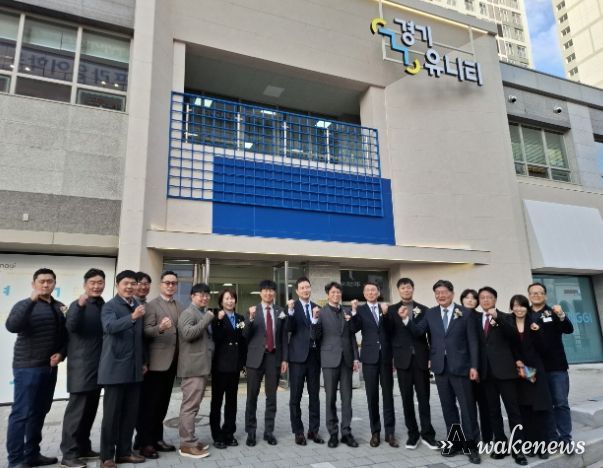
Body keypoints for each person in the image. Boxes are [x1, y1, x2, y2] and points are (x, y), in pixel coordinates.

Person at [400, 280, 481, 464]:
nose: (440, 295)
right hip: (440, 368)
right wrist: (406, 320)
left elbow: (473, 342)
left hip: (461, 367)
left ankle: (471, 446)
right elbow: (418, 332)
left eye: (444, 292)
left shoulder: (466, 313)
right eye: (437, 293)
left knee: (467, 408)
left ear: (452, 293)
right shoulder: (431, 313)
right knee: (448, 407)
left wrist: (474, 366)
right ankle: (455, 442)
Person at [6, 268, 67, 468]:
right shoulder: (23, 305)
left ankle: (32, 454)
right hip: (27, 368)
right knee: (21, 413)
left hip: (49, 368)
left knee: (39, 412)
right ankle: (15, 460)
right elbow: (12, 326)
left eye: (50, 281)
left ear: (54, 284)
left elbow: (65, 336)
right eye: (41, 281)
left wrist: (61, 354)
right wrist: (31, 301)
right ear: (34, 284)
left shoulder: (60, 307)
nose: (46, 284)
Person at [488, 295, 552, 460]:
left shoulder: (535, 322)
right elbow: (506, 345)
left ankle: (542, 446)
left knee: (538, 409)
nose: (519, 309)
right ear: (511, 308)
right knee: (523, 410)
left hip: (534, 371)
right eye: (515, 306)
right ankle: (529, 444)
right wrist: (517, 360)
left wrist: (537, 333)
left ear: (526, 307)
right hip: (517, 371)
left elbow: (544, 348)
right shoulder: (507, 322)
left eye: (522, 305)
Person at [98, 270, 147, 468]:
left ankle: (125, 452)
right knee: (111, 416)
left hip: (134, 369)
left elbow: (139, 338)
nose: (130, 287)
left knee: (130, 414)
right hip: (115, 369)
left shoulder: (137, 305)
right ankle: (107, 457)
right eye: (126, 283)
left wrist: (143, 361)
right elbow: (109, 327)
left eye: (133, 284)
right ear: (117, 285)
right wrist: (132, 317)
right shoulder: (109, 306)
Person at [60, 268, 106, 468]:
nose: (96, 286)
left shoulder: (102, 305)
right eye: (92, 283)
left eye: (100, 282)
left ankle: (83, 447)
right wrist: (79, 306)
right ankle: (68, 455)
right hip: (81, 366)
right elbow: (71, 327)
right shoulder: (77, 304)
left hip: (98, 366)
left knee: (90, 410)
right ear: (85, 285)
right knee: (76, 412)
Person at [384, 277, 437, 450]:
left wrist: (431, 357)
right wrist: (384, 315)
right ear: (398, 290)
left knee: (424, 399)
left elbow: (428, 335)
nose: (406, 290)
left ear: (413, 289)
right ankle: (413, 434)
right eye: (403, 288)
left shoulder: (424, 310)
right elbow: (388, 334)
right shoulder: (392, 310)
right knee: (406, 399)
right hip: (402, 360)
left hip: (421, 359)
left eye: (408, 287)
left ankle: (428, 434)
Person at [477, 287, 528, 466]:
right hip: (486, 374)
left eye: (489, 297)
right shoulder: (476, 319)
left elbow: (514, 336)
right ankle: (500, 445)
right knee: (493, 412)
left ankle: (518, 449)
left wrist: (497, 317)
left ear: (495, 299)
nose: (485, 300)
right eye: (482, 297)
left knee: (513, 411)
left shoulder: (506, 317)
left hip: (506, 372)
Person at [137, 271, 184, 459]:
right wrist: (160, 328)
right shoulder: (151, 306)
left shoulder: (179, 306)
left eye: (174, 283)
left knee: (163, 404)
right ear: (160, 285)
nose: (171, 286)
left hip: (172, 363)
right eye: (167, 283)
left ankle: (157, 439)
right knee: (150, 405)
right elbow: (146, 331)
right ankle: (145, 443)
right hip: (156, 364)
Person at [350, 281, 397, 448]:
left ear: (378, 292)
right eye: (368, 290)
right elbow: (352, 329)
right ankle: (375, 432)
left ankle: (390, 433)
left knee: (388, 396)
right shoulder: (360, 310)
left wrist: (386, 314)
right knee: (372, 397)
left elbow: (392, 330)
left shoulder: (387, 308)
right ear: (364, 293)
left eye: (373, 290)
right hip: (370, 358)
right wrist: (353, 311)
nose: (371, 292)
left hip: (385, 358)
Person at [313, 282, 360, 449]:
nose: (336, 295)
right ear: (328, 295)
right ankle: (333, 433)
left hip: (346, 360)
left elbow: (352, 335)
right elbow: (315, 336)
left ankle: (346, 432)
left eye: (338, 292)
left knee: (347, 398)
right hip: (329, 360)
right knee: (330, 398)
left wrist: (356, 358)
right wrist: (314, 320)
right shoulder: (321, 312)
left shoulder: (347, 312)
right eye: (333, 292)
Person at [527, 282, 574, 445]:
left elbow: (568, 329)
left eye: (540, 292)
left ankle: (565, 437)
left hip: (556, 366)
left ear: (545, 295)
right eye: (533, 293)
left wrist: (561, 314)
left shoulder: (553, 312)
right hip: (533, 368)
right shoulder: (524, 314)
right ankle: (551, 437)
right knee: (543, 403)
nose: (536, 295)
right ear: (529, 296)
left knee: (560, 402)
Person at [243, 279, 288, 447]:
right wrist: (250, 318)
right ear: (260, 292)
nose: (268, 293)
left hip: (273, 358)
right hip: (255, 359)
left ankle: (269, 431)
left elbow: (284, 337)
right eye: (265, 290)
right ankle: (251, 432)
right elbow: (245, 335)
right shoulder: (251, 310)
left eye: (271, 290)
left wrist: (284, 359)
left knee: (272, 397)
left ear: (274, 293)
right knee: (251, 397)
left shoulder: (280, 311)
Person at [176, 283, 213, 459]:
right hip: (192, 368)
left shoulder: (200, 312)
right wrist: (207, 319)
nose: (204, 297)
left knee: (193, 406)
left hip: (200, 367)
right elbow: (188, 334)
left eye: (207, 295)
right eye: (200, 294)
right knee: (189, 407)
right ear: (192, 296)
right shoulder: (188, 313)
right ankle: (186, 444)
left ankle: (191, 439)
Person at [286, 277, 324, 446]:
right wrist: (290, 312)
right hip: (297, 359)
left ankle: (313, 431)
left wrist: (315, 320)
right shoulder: (292, 307)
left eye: (307, 287)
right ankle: (298, 432)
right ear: (297, 291)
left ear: (310, 288)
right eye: (302, 288)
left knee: (314, 396)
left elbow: (320, 333)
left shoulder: (318, 308)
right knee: (295, 397)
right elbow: (288, 328)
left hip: (314, 359)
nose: (305, 290)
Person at [210, 288, 246, 449]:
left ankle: (229, 433)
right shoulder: (216, 317)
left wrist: (243, 362)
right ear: (221, 301)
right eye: (226, 298)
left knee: (232, 402)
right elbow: (215, 338)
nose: (230, 301)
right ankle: (217, 435)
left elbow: (243, 340)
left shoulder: (240, 318)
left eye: (232, 298)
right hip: (220, 366)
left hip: (234, 366)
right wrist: (218, 321)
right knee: (216, 402)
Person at [460, 288, 492, 444]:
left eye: (473, 298)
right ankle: (471, 437)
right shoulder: (456, 317)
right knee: (467, 405)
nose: (470, 300)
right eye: (467, 297)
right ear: (461, 300)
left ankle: (487, 437)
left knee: (485, 404)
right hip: (462, 368)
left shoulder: (481, 317)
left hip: (481, 368)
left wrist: (477, 367)